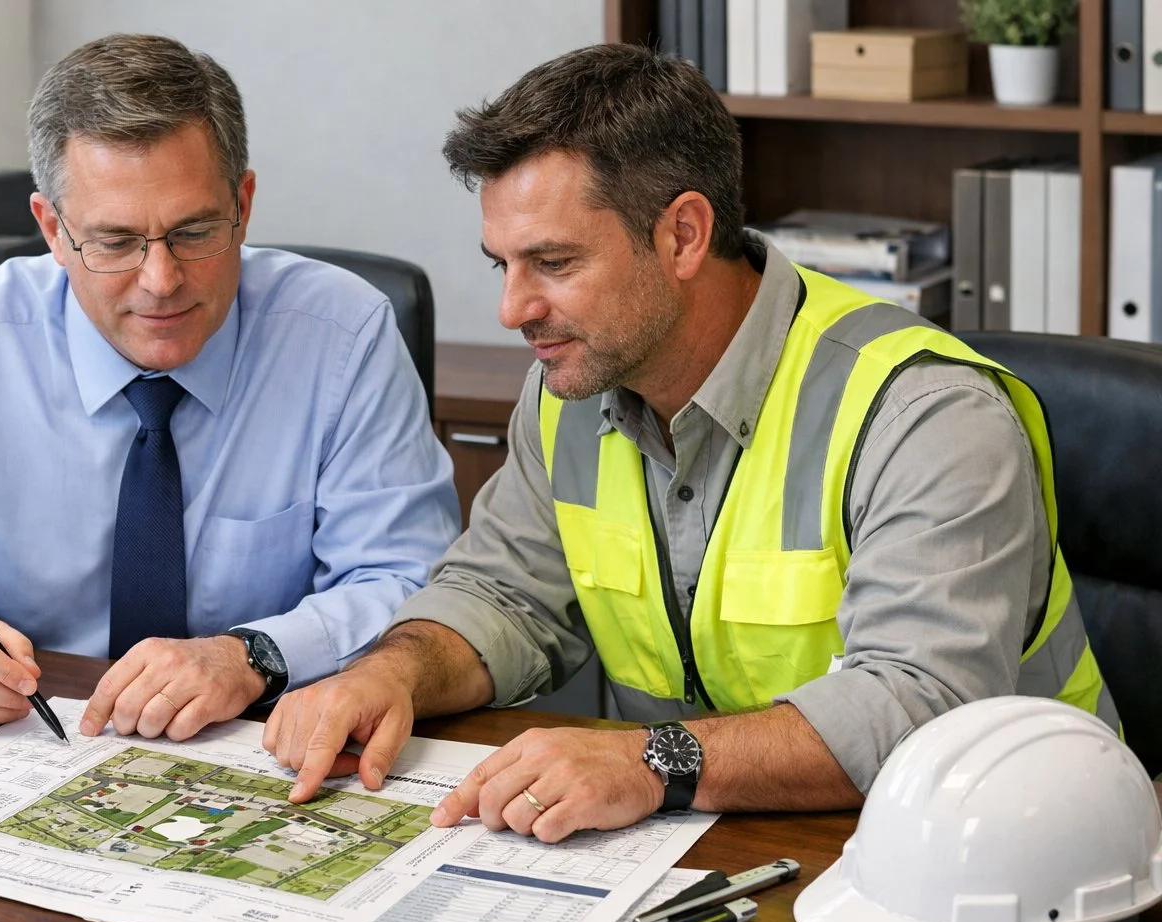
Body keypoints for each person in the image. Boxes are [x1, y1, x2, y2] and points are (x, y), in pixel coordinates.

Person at [262, 43, 1120, 841]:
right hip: (726, 841)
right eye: (503, 264)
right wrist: (395, 671)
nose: (513, 308)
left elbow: (918, 705)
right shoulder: (569, 391)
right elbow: (503, 593)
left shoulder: (922, 414)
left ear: (682, 235)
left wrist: (650, 761)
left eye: (553, 264)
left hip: (1010, 858)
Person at [0, 34, 458, 740]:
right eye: (115, 241)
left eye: (194, 232)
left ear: (244, 203)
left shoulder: (342, 335)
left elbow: (412, 583)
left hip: (272, 742)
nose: (160, 280)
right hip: (28, 748)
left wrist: (254, 655)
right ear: (52, 229)